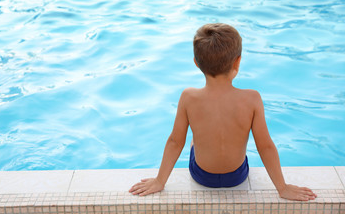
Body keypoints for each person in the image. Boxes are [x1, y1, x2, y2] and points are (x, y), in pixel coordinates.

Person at [129, 23, 317, 201]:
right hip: (237, 177)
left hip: (202, 176)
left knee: (194, 137)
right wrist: (282, 188)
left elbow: (175, 141)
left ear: (196, 63)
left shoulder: (188, 97)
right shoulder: (252, 99)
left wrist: (159, 181)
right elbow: (265, 146)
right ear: (238, 62)